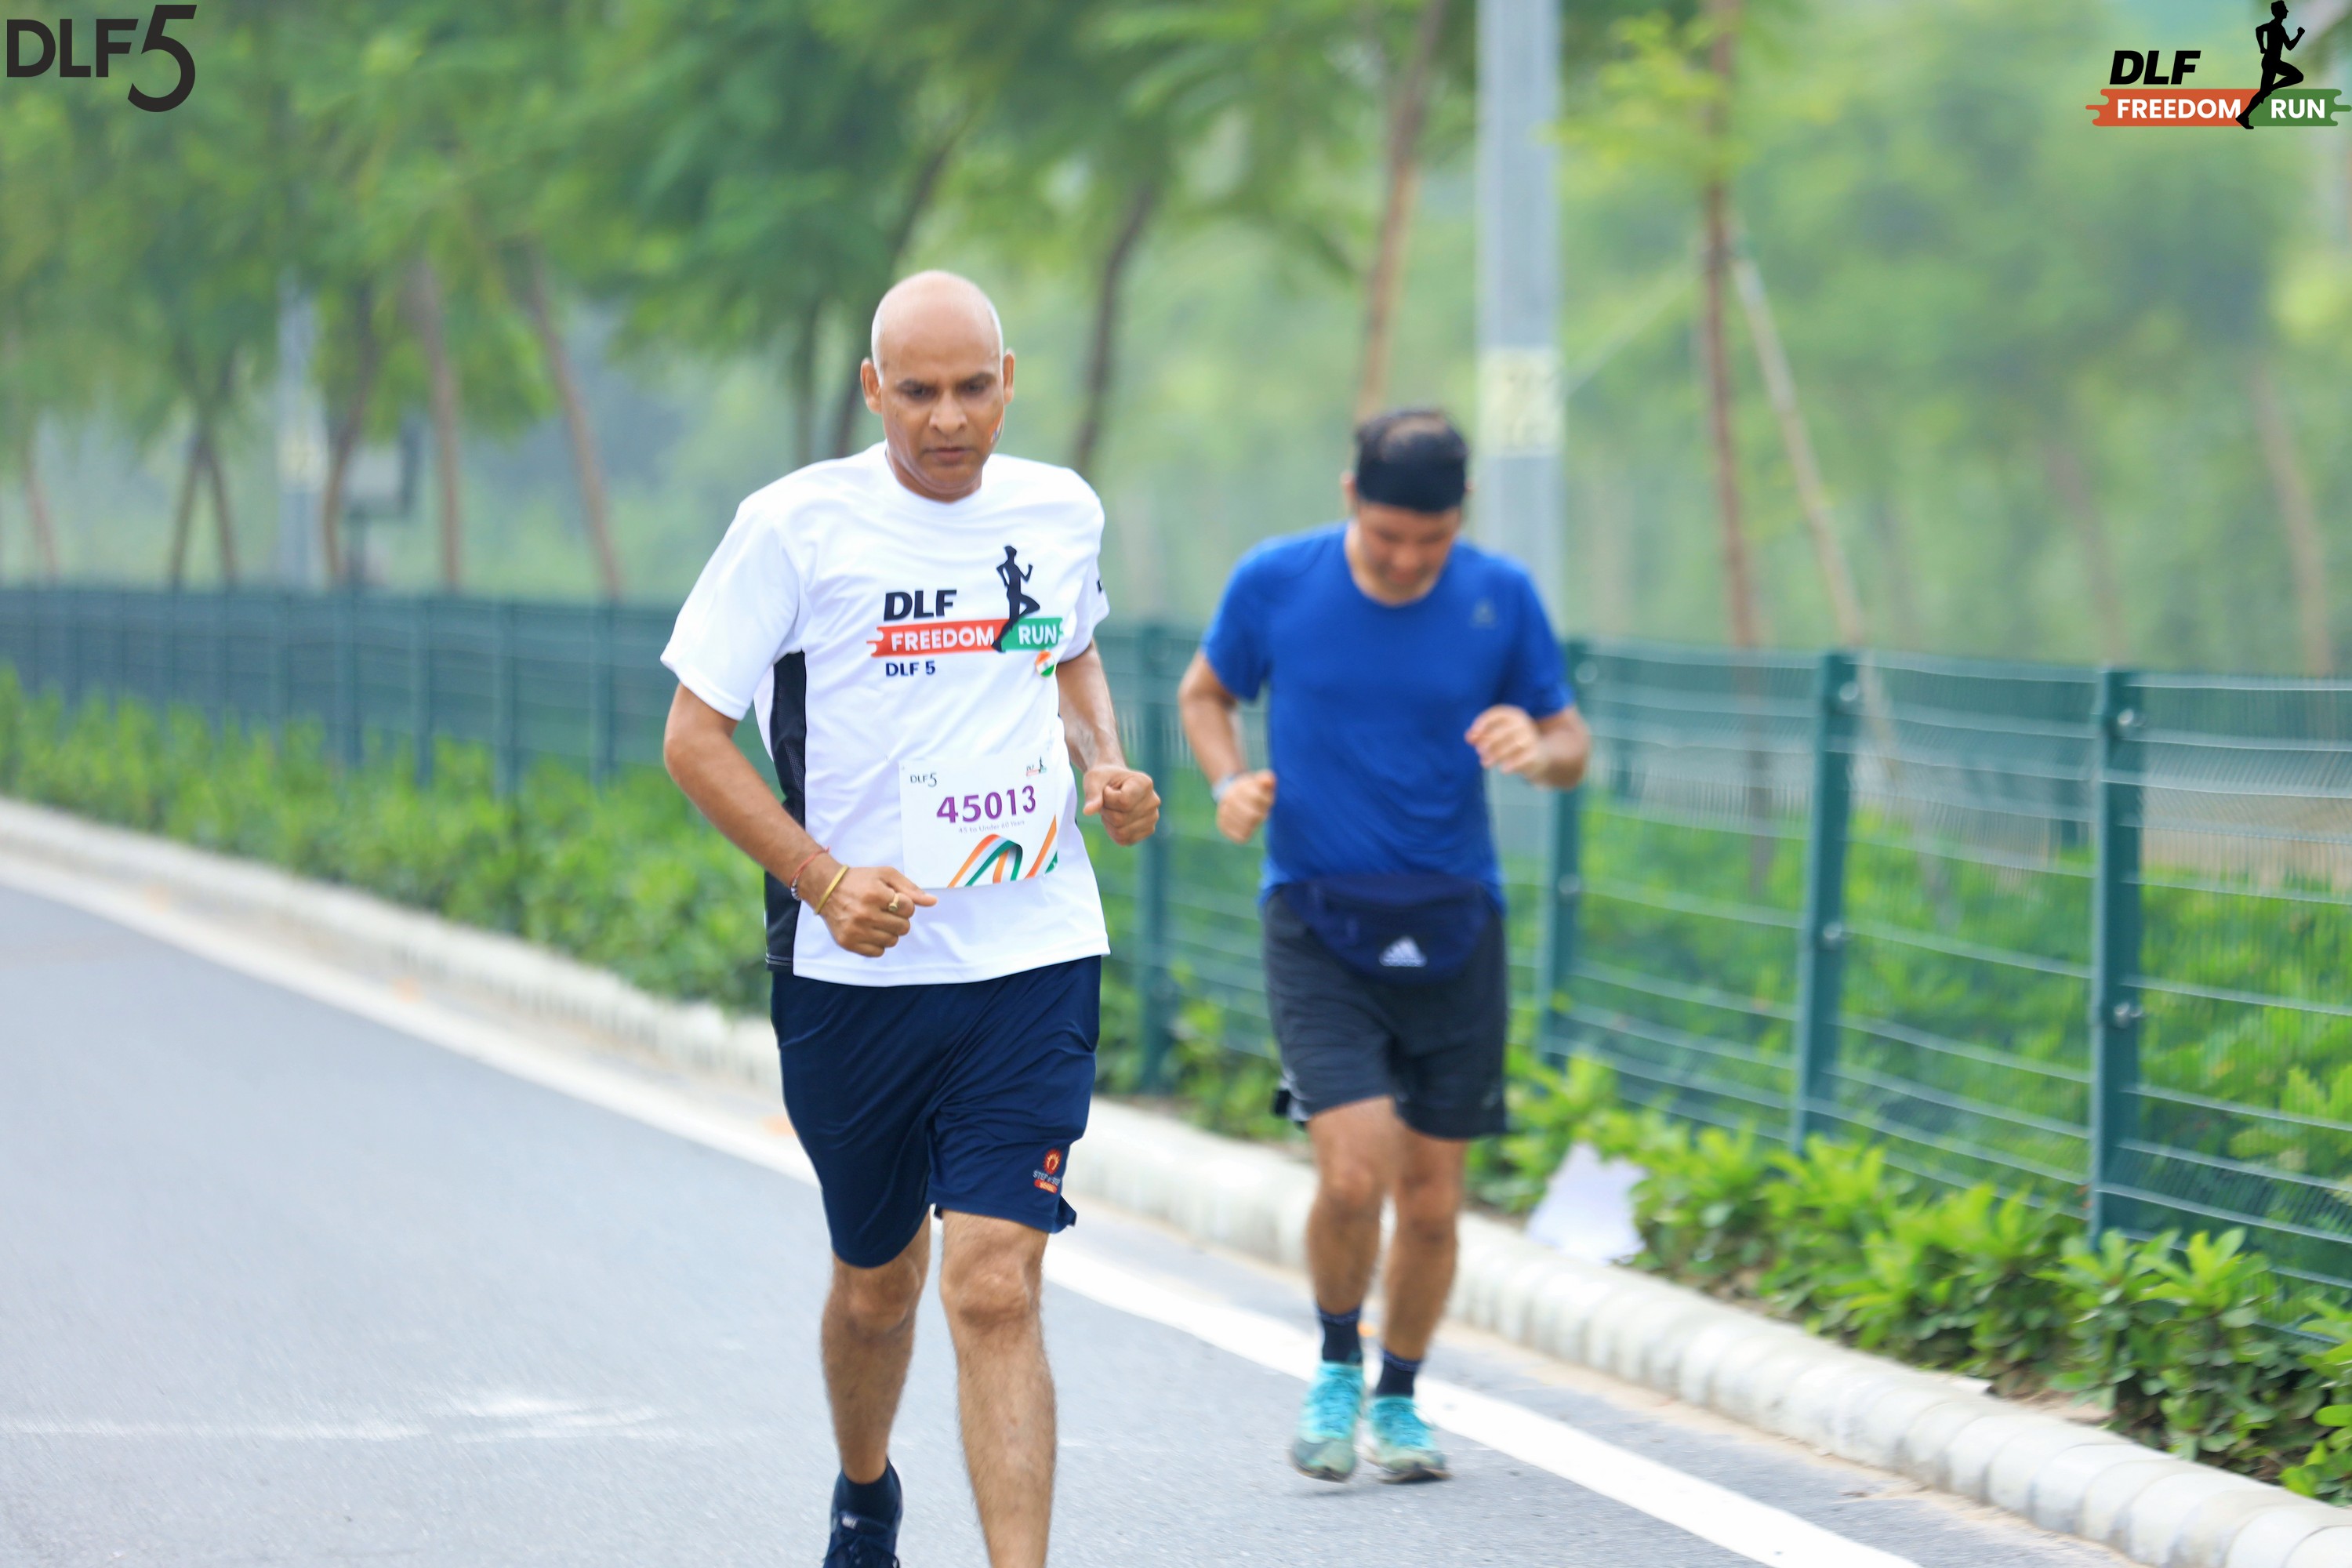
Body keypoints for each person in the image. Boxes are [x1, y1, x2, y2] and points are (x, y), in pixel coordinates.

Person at [661, 270, 1160, 1568]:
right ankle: (865, 1490)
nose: (949, 419)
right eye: (920, 392)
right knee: (878, 1290)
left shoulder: (1060, 510)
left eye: (974, 389)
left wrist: (1105, 761)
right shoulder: (792, 528)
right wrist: (824, 880)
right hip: (856, 980)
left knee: (994, 1283)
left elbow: (1064, 649)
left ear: (1010, 382)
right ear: (873, 390)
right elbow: (693, 739)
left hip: (1032, 955)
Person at [1176, 408, 1590, 1485]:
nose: (1408, 560)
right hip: (1317, 917)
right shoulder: (1278, 580)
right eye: (1388, 535)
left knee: (1436, 1200)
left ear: (1462, 517)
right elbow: (1205, 693)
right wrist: (1229, 781)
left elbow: (1571, 741)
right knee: (1356, 1173)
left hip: (1456, 923)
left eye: (1432, 539)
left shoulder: (1500, 596)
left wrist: (1537, 747)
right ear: (1351, 494)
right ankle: (1334, 1365)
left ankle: (1399, 1398)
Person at [2238, 1, 2305, 127]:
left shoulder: (2276, 26)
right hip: (2272, 62)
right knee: (2298, 76)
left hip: (2271, 61)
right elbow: (2290, 46)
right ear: (2279, 12)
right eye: (2284, 9)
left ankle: (2244, 116)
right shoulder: (2276, 27)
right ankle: (2271, 89)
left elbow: (2259, 29)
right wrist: (2299, 35)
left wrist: (2262, 47)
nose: (2287, 11)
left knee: (2263, 92)